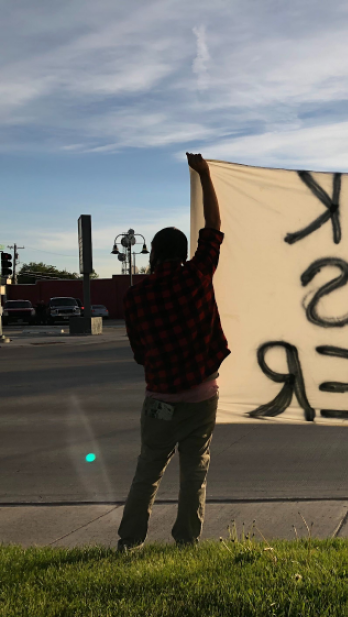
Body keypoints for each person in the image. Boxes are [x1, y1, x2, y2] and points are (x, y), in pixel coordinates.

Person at [117, 153, 230, 551]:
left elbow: (139, 354)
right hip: (201, 395)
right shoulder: (197, 277)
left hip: (159, 399)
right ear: (182, 254)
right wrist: (205, 174)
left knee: (147, 470)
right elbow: (214, 227)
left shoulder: (135, 298)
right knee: (194, 470)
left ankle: (129, 541)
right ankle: (186, 541)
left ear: (152, 256)